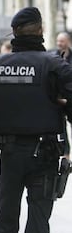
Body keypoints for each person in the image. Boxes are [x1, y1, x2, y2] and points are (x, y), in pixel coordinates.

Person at [0, 7, 72, 233]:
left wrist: (1, 138)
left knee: (6, 218)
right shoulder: (56, 66)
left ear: (13, 33)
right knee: (39, 219)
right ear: (41, 30)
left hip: (9, 152)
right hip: (45, 151)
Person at [53, 31, 72, 159]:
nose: (60, 43)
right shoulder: (53, 56)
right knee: (61, 126)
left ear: (68, 41)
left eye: (62, 41)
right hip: (59, 96)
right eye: (58, 41)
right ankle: (66, 152)